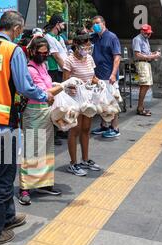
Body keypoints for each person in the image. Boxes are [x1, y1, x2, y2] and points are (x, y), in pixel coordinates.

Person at [0, 11, 58, 245]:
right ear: (16, 29)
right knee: (4, 179)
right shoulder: (12, 51)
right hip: (2, 125)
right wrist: (44, 95)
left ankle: (8, 216)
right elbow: (26, 87)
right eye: (20, 31)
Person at [18, 36, 64, 206]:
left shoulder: (43, 66)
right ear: (33, 52)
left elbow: (49, 86)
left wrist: (60, 85)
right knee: (31, 150)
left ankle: (44, 183)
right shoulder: (30, 69)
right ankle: (25, 188)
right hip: (33, 113)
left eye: (47, 53)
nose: (45, 56)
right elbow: (44, 91)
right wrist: (64, 85)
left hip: (46, 111)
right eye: (42, 53)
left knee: (46, 149)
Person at [63, 30, 101, 177]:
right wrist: (75, 85)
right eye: (84, 47)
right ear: (77, 46)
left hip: (89, 98)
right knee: (75, 130)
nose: (87, 50)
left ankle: (85, 159)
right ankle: (73, 163)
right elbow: (65, 83)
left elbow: (93, 76)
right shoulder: (69, 60)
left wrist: (97, 82)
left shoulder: (90, 59)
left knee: (86, 128)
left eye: (88, 47)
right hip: (75, 100)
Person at [90, 15, 122, 138]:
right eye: (93, 24)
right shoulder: (94, 37)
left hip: (109, 76)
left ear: (104, 23)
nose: (95, 25)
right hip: (97, 76)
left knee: (112, 102)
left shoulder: (112, 37)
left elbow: (117, 57)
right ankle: (104, 126)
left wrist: (113, 74)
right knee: (101, 102)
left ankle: (115, 128)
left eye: (97, 23)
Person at [44, 14, 69, 145]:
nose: (64, 26)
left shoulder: (59, 37)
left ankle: (60, 129)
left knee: (60, 101)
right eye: (62, 24)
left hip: (62, 71)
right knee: (53, 102)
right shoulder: (48, 38)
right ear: (57, 24)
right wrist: (67, 70)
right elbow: (57, 57)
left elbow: (64, 54)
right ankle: (52, 134)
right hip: (54, 72)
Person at [132, 24, 161, 116]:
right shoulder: (138, 39)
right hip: (142, 63)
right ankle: (140, 108)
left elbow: (146, 53)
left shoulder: (145, 39)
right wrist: (152, 56)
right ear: (141, 31)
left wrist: (153, 53)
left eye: (148, 33)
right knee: (145, 85)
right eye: (146, 32)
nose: (147, 34)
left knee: (146, 85)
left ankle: (141, 107)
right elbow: (138, 54)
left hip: (146, 63)